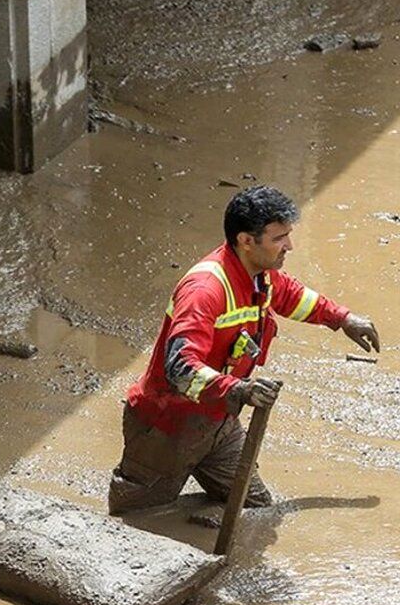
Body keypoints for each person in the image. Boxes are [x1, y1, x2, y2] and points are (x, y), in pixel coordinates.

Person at [108, 185, 380, 513]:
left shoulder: (259, 276)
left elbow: (291, 296)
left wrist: (343, 318)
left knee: (254, 508)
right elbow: (179, 368)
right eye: (279, 238)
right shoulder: (205, 290)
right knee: (138, 515)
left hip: (219, 422)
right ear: (246, 240)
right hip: (167, 427)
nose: (289, 246)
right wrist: (238, 390)